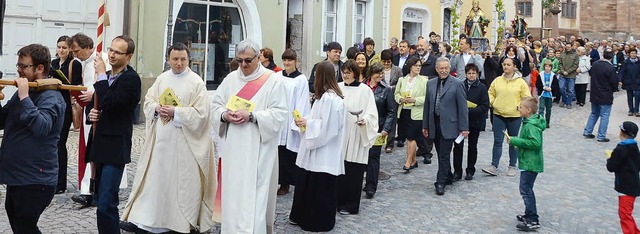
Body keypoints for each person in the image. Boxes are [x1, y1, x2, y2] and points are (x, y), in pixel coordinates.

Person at [119, 43, 217, 233]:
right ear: (168, 59)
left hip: (184, 143)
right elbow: (148, 100)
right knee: (155, 180)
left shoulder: (196, 82)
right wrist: (156, 108)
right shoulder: (162, 79)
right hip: (161, 141)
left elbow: (202, 115)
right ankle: (147, 219)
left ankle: (179, 222)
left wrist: (176, 112)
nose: (179, 63)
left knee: (179, 184)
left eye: (183, 59)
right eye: (175, 59)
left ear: (188, 60)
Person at [211, 39, 288, 233]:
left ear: (258, 58)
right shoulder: (230, 79)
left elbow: (280, 113)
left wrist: (253, 116)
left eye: (248, 61)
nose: (243, 65)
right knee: (233, 194)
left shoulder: (273, 80)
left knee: (254, 196)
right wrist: (224, 115)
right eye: (239, 61)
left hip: (258, 149)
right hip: (233, 149)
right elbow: (214, 105)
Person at [0, 44, 66, 233]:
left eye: (23, 66)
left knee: (24, 227)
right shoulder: (27, 92)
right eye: (18, 65)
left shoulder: (51, 97)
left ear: (39, 68)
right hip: (18, 177)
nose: (18, 70)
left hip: (36, 179)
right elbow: (3, 119)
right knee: (20, 225)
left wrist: (24, 96)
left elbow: (42, 127)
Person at [86, 35, 142, 233]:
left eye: (118, 52)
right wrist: (90, 114)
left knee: (107, 203)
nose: (111, 55)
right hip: (99, 145)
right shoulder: (107, 75)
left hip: (115, 146)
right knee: (99, 200)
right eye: (111, 50)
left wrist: (101, 76)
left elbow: (111, 103)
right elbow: (97, 103)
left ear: (129, 56)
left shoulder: (131, 80)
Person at [289, 61, 346, 232]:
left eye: (316, 75)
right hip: (316, 151)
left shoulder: (330, 99)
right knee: (309, 184)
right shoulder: (322, 98)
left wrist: (308, 123)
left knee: (320, 189)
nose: (314, 78)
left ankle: (317, 221)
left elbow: (329, 128)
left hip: (324, 152)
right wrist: (305, 122)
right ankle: (302, 216)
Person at [422, 57, 469, 195]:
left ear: (450, 69)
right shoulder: (430, 83)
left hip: (450, 125)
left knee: (444, 154)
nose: (443, 71)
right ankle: (448, 175)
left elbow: (463, 107)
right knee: (440, 152)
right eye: (441, 68)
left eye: (446, 68)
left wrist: (464, 127)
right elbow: (427, 106)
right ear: (436, 69)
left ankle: (440, 182)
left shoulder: (457, 84)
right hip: (434, 123)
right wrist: (425, 125)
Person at [336, 59, 378, 215]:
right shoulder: (337, 88)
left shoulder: (364, 90)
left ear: (355, 72)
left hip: (356, 135)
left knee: (353, 172)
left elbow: (372, 113)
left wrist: (365, 120)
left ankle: (350, 205)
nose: (345, 75)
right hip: (340, 134)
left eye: (348, 72)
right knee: (339, 171)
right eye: (343, 72)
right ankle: (336, 202)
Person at [482, 57, 531, 177]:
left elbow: (526, 97)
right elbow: (490, 93)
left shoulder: (520, 82)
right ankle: (494, 165)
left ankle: (512, 165)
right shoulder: (497, 80)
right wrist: (493, 103)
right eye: (504, 64)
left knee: (513, 141)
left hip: (514, 116)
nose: (506, 67)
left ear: (514, 66)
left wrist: (519, 107)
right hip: (499, 115)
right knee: (497, 141)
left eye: (509, 64)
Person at [51, 35, 83, 194]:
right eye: (59, 47)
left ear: (70, 49)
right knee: (52, 142)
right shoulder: (53, 63)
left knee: (60, 142)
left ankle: (60, 183)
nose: (61, 50)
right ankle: (52, 178)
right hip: (53, 105)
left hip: (66, 107)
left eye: (64, 47)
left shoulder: (74, 64)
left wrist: (62, 83)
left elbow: (76, 86)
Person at [276, 49, 311, 195]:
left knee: (289, 152)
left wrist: (297, 120)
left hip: (291, 119)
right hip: (279, 118)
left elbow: (302, 101)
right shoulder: (278, 76)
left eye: (289, 60)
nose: (286, 63)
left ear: (295, 61)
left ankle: (286, 183)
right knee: (278, 152)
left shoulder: (301, 79)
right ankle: (276, 180)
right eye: (284, 60)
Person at [508, 97, 546, 231]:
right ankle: (528, 214)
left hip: (530, 163)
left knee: (526, 190)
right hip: (528, 161)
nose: (519, 108)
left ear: (528, 110)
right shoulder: (528, 122)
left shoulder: (530, 126)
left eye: (521, 107)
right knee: (526, 188)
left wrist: (516, 141)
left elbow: (535, 143)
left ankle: (532, 219)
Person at [363, 63, 395, 198]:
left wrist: (386, 129)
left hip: (378, 128)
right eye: (378, 73)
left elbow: (391, 111)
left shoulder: (385, 89)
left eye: (382, 73)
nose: (380, 76)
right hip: (363, 127)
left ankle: (371, 186)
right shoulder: (362, 87)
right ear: (371, 74)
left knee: (374, 157)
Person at [452, 63, 488, 181]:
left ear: (477, 74)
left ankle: (470, 170)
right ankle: (457, 171)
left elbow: (484, 106)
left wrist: (469, 110)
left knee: (472, 146)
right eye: (469, 73)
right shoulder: (460, 85)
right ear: (466, 74)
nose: (471, 75)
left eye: (473, 73)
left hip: (474, 121)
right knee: (458, 146)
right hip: (460, 121)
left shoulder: (482, 87)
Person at [394, 57, 428, 172]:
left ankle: (408, 162)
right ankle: (413, 161)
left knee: (411, 137)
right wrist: (401, 99)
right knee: (408, 136)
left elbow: (426, 98)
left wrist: (415, 100)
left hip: (416, 112)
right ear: (410, 67)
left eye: (419, 66)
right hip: (404, 111)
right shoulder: (402, 80)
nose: (418, 67)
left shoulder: (424, 81)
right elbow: (396, 94)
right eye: (416, 65)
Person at [607, 121, 640, 234]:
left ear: (622, 132)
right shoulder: (634, 147)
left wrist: (611, 157)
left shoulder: (621, 148)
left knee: (625, 215)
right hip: (633, 185)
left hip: (625, 187)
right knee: (626, 213)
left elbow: (611, 166)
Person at [584, 49, 618, 143]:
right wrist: (614, 89)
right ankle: (601, 136)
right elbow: (614, 83)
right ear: (612, 57)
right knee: (605, 115)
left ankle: (587, 131)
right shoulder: (610, 68)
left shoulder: (595, 64)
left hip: (594, 92)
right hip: (605, 94)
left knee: (594, 113)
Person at [380, 49, 403, 153]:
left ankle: (390, 143)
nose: (386, 64)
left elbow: (401, 83)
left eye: (388, 62)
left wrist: (391, 88)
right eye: (384, 61)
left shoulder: (397, 70)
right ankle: (379, 140)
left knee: (392, 120)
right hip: (381, 97)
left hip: (393, 97)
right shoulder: (379, 69)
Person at [536, 60, 558, 128]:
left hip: (550, 95)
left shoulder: (553, 75)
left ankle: (547, 122)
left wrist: (551, 89)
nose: (547, 68)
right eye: (546, 66)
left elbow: (556, 85)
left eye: (549, 67)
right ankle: (541, 122)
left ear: (551, 67)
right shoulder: (541, 74)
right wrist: (543, 87)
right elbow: (537, 83)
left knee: (548, 109)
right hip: (542, 94)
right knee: (541, 109)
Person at [618, 50, 640, 116]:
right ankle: (631, 110)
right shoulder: (625, 62)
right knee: (629, 96)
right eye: (632, 53)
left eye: (634, 53)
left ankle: (637, 110)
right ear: (629, 54)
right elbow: (621, 72)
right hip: (628, 80)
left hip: (637, 81)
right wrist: (620, 80)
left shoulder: (639, 62)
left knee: (637, 95)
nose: (633, 54)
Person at [558, 43, 579, 109]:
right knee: (561, 88)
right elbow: (560, 64)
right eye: (566, 47)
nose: (567, 48)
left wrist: (568, 71)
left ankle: (568, 103)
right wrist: (563, 71)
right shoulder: (562, 54)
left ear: (572, 47)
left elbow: (576, 65)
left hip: (571, 75)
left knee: (570, 90)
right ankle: (564, 100)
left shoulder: (575, 55)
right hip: (562, 74)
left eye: (569, 47)